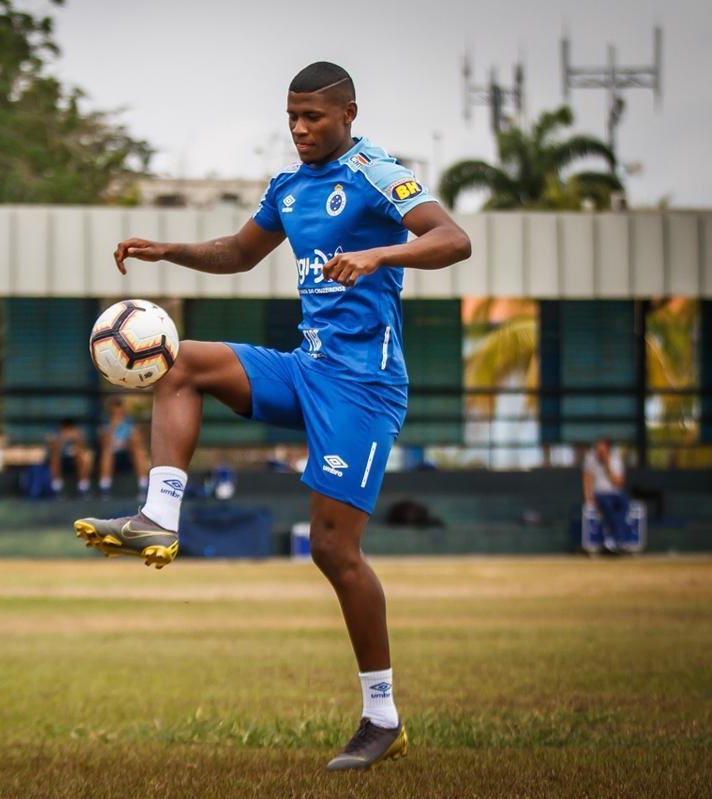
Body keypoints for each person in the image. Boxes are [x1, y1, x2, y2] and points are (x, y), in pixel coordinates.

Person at [74, 62, 471, 771]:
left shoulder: (379, 173)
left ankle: (382, 716)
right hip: (307, 368)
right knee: (181, 362)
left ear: (348, 112)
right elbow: (238, 251)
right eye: (291, 116)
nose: (299, 129)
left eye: (313, 117)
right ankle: (159, 517)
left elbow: (452, 238)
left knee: (331, 549)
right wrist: (169, 251)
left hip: (364, 388)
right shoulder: (289, 187)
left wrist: (380, 253)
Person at [583, 438, 630, 552]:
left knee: (624, 505)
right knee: (607, 505)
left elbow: (618, 482)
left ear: (608, 448)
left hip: (616, 494)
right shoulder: (591, 459)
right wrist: (589, 497)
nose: (600, 451)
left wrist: (607, 464)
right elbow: (587, 479)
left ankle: (614, 540)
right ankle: (616, 540)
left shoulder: (615, 459)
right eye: (598, 448)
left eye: (602, 448)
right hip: (600, 494)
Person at [97, 397, 149, 498]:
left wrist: (126, 443)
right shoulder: (105, 423)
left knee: (139, 451)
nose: (118, 414)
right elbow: (103, 442)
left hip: (127, 453)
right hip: (111, 454)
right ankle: (105, 488)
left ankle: (143, 486)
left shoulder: (129, 422)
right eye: (115, 412)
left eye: (120, 412)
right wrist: (113, 426)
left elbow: (137, 441)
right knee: (107, 452)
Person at [47, 418, 93, 497]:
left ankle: (83, 487)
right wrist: (63, 438)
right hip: (61, 460)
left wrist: (78, 440)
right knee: (54, 456)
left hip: (75, 460)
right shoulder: (55, 433)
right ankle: (57, 488)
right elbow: (52, 447)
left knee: (84, 456)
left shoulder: (78, 433)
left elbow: (85, 448)